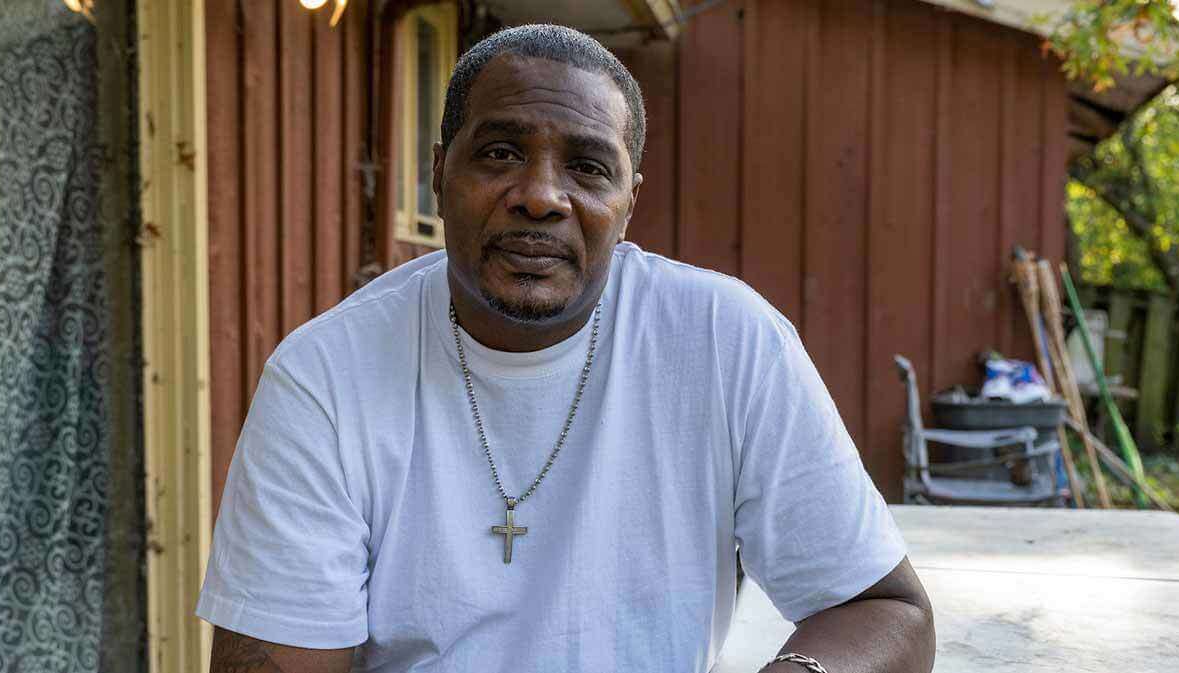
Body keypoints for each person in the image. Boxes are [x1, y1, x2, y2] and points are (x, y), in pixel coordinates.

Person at [196, 24, 934, 673]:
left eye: (587, 167)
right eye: (500, 152)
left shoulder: (725, 342)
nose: (542, 196)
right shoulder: (324, 377)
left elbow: (885, 610)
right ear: (438, 175)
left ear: (629, 201)